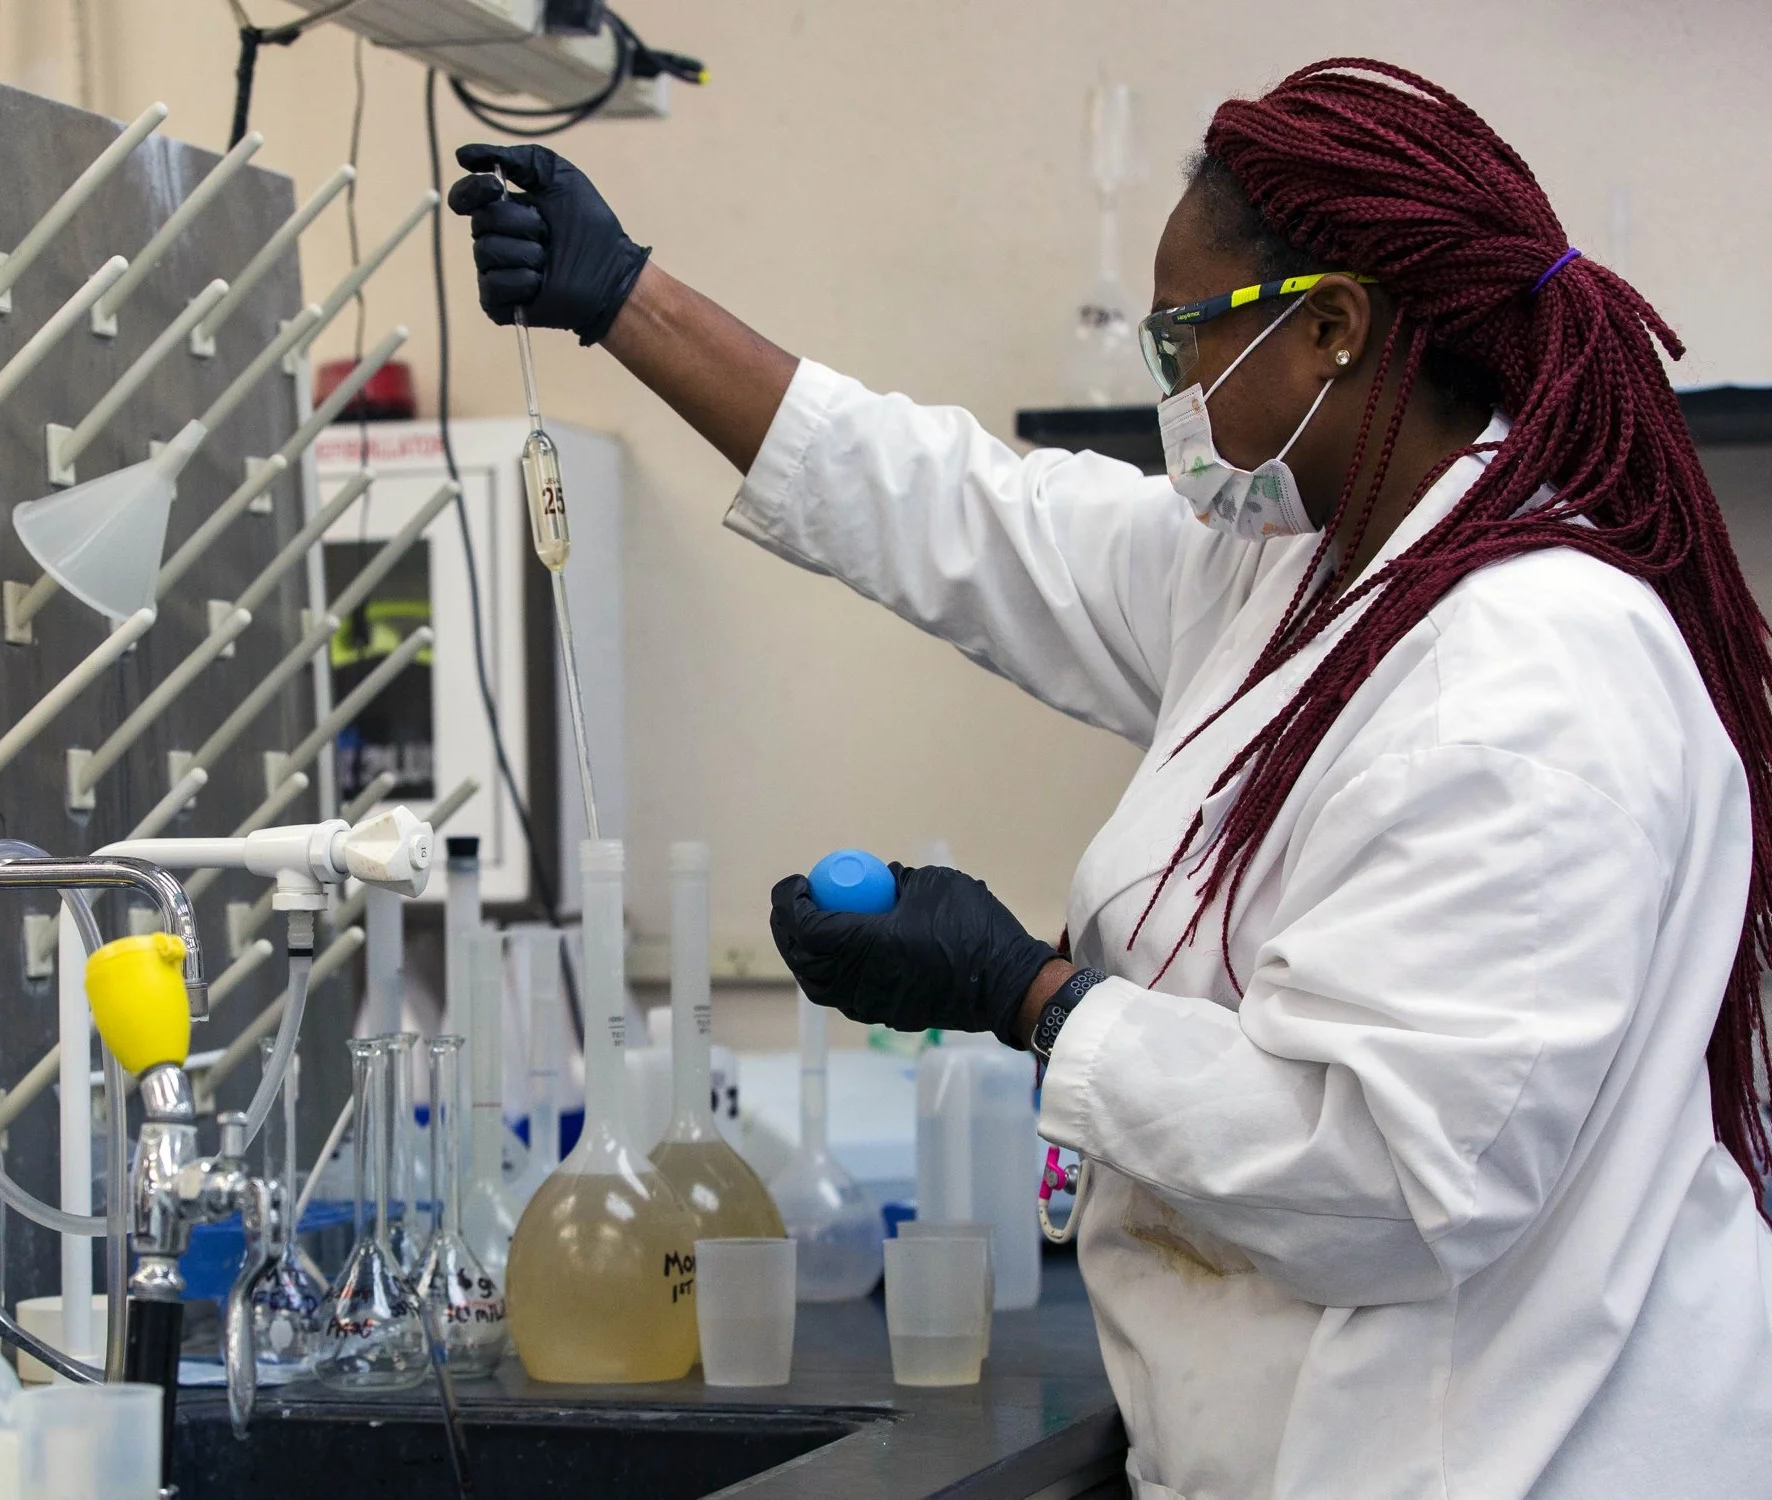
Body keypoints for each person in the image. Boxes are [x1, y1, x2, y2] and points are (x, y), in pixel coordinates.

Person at [450, 58, 1772, 1499]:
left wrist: (1028, 994)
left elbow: (1393, 1184)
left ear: (1329, 326)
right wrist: (627, 299)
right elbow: (964, 513)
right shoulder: (1304, 577)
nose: (1176, 396)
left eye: (1183, 345)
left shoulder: (1524, 682)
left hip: (1506, 1459)